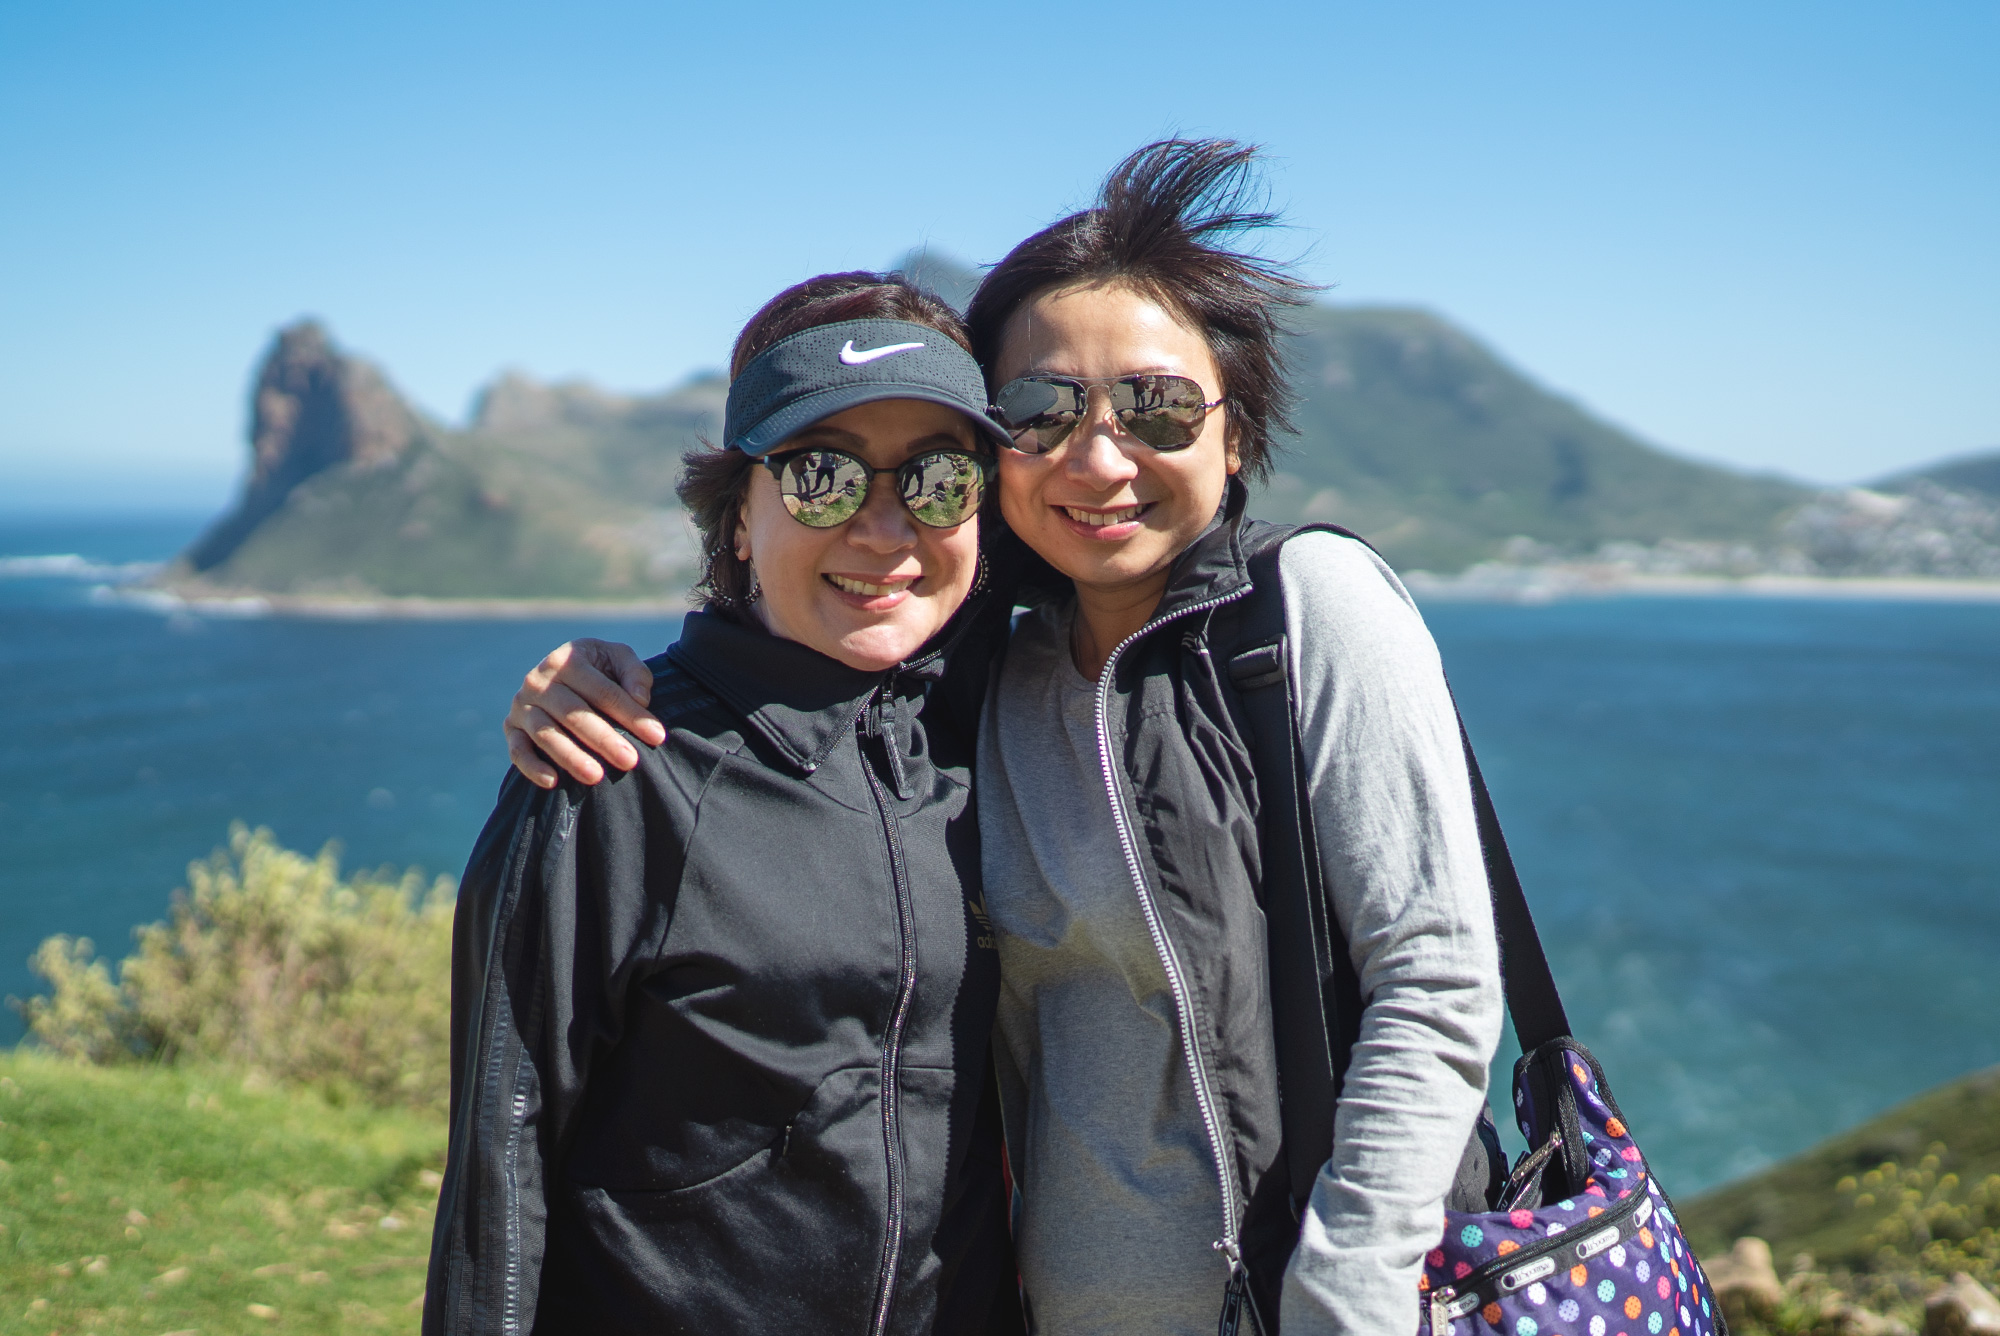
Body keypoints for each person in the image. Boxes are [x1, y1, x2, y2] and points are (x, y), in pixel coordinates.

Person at [501, 141, 1504, 1336]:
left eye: (1156, 406)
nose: (1099, 457)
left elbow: (1433, 979)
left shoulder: (1306, 613)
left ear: (1232, 435)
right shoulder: (989, 676)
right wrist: (594, 681)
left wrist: (1344, 1303)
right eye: (1038, 411)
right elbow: (813, 654)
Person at [424, 274, 1026, 1335]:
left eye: (939, 480)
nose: (886, 529)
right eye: (822, 477)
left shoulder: (1010, 738)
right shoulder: (616, 768)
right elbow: (499, 1163)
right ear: (738, 516)